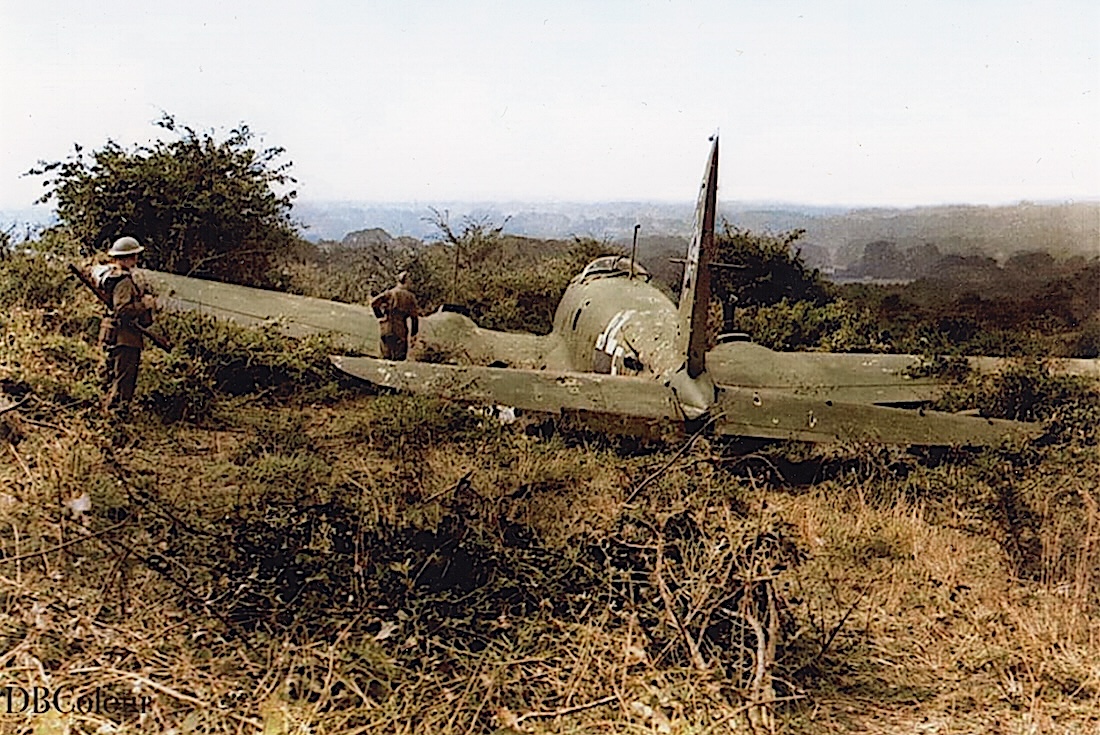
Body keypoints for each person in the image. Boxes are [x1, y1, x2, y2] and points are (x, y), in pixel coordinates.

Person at [96, 236, 157, 411]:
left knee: (110, 377)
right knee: (123, 382)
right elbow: (122, 310)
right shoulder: (123, 281)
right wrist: (144, 305)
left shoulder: (113, 277)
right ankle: (116, 418)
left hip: (115, 336)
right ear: (129, 257)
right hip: (125, 338)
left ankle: (106, 414)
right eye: (134, 256)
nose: (136, 259)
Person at [370, 271, 419, 360]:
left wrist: (380, 316)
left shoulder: (389, 293)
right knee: (399, 359)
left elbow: (374, 303)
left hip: (386, 327)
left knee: (385, 357)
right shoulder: (410, 297)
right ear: (406, 282)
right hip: (400, 329)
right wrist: (413, 334)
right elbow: (414, 318)